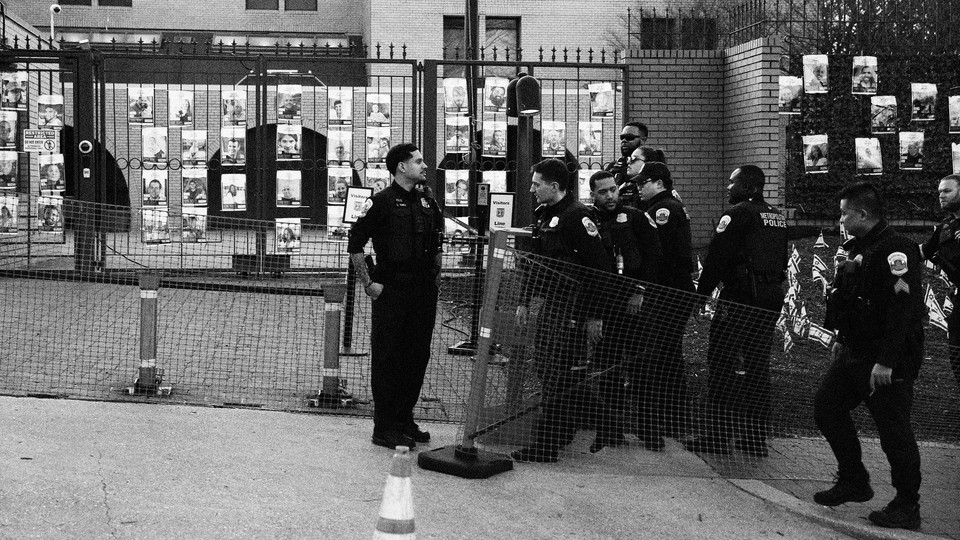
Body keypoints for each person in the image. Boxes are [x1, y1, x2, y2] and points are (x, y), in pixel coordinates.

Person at [814, 182, 924, 531]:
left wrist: (887, 360)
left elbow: (902, 310)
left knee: (894, 432)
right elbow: (852, 299)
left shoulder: (897, 250)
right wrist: (841, 338)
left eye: (845, 212)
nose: (841, 218)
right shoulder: (858, 247)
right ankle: (854, 480)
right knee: (827, 407)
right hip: (855, 352)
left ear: (863, 214)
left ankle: (907, 505)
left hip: (886, 359)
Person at [510, 158, 611, 463]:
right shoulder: (544, 215)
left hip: (574, 308)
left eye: (536, 183)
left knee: (556, 373)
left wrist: (594, 315)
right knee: (550, 369)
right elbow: (535, 265)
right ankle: (592, 424)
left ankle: (546, 444)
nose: (531, 189)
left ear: (553, 186)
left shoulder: (577, 217)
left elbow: (600, 269)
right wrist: (524, 301)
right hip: (552, 304)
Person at [685, 165, 788, 458]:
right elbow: (781, 258)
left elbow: (717, 258)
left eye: (733, 183)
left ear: (750, 187)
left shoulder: (738, 214)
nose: (728, 188)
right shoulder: (776, 216)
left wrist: (700, 296)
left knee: (721, 362)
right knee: (757, 366)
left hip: (742, 297)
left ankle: (716, 436)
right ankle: (755, 439)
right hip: (769, 296)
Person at [348, 143, 443, 450]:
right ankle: (384, 426)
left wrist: (436, 277)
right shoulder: (380, 203)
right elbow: (355, 245)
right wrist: (368, 284)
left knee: (417, 356)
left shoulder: (428, 201)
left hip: (423, 291)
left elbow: (437, 241)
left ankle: (404, 419)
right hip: (393, 290)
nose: (424, 165)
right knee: (389, 358)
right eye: (418, 161)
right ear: (401, 167)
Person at [587, 170, 664, 452]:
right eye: (603, 192)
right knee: (607, 370)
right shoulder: (589, 221)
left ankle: (648, 430)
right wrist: (592, 314)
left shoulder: (635, 217)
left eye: (612, 190)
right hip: (606, 307)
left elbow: (655, 257)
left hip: (635, 307)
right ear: (593, 194)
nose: (609, 196)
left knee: (642, 369)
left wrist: (640, 291)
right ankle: (610, 430)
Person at [636, 162, 698, 438]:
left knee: (663, 353)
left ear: (659, 183)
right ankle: (672, 417)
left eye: (643, 183)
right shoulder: (670, 205)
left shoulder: (663, 210)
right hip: (673, 290)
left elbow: (656, 253)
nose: (639, 188)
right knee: (666, 353)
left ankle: (670, 417)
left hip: (667, 291)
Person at [920, 174, 960, 388]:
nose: (941, 196)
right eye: (939, 192)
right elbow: (922, 252)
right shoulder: (946, 228)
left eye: (947, 191)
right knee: (956, 350)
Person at [604, 121, 649, 186]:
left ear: (643, 140)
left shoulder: (650, 166)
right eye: (622, 137)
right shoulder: (614, 166)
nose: (624, 141)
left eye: (629, 137)